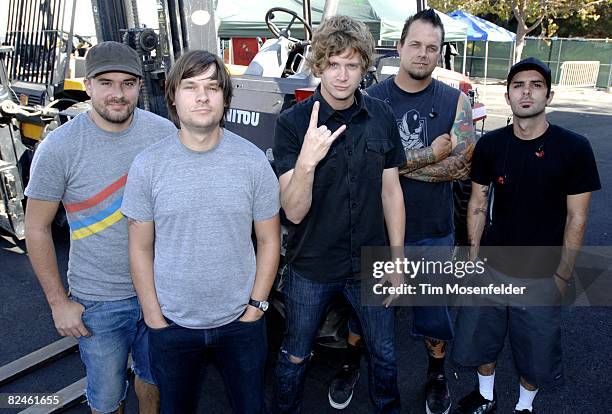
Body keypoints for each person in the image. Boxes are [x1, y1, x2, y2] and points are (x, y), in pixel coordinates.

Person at [328, 9, 475, 414]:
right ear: (399, 47)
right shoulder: (370, 100)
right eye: (415, 44)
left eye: (432, 47)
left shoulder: (454, 100)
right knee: (365, 316)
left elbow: (461, 164)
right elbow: (362, 166)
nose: (423, 54)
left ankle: (436, 375)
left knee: (434, 317)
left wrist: (393, 164)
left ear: (440, 53)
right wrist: (430, 154)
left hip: (432, 231)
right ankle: (350, 363)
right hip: (376, 231)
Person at [121, 50, 280, 414]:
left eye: (212, 86)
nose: (202, 96)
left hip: (242, 323)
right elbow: (140, 248)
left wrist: (256, 308)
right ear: (173, 96)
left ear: (225, 96)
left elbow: (270, 240)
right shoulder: (148, 166)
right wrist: (154, 317)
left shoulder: (253, 161)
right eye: (190, 86)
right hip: (172, 326)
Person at [24, 41, 177, 413]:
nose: (117, 94)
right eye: (106, 83)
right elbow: (37, 228)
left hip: (160, 292)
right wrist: (59, 303)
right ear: (88, 85)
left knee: (154, 379)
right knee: (107, 397)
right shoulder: (59, 147)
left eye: (127, 83)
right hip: (98, 298)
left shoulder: (164, 134)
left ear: (141, 86)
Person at [271, 15, 406, 414]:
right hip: (311, 265)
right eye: (333, 63)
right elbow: (292, 213)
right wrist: (308, 163)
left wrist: (398, 262)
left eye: (352, 64)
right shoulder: (293, 124)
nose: (342, 75)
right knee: (295, 354)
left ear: (365, 66)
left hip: (370, 264)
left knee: (385, 355)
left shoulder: (381, 114)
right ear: (318, 66)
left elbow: (392, 191)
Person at [452, 57, 601, 414]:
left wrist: (564, 274)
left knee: (534, 348)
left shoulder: (574, 148)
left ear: (548, 95)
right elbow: (477, 202)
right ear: (507, 95)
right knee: (480, 340)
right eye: (518, 85)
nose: (526, 91)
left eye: (535, 85)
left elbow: (577, 218)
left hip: (541, 272)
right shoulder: (491, 146)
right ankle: (486, 395)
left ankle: (524, 405)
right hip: (490, 266)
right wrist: (473, 258)